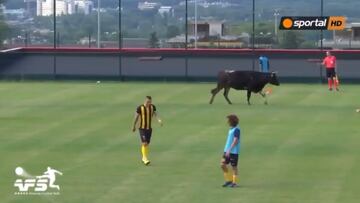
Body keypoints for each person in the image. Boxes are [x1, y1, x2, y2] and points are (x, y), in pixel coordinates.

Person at [132, 96, 162, 165]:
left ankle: (143, 157)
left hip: (149, 128)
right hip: (142, 128)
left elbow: (155, 113)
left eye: (150, 102)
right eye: (148, 102)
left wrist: (159, 120)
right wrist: (133, 126)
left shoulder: (152, 107)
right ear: (145, 101)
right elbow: (136, 117)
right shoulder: (140, 108)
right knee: (144, 143)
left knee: (147, 144)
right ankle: (145, 158)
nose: (149, 103)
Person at [221, 114, 241, 188]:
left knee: (234, 167)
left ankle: (234, 183)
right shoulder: (231, 129)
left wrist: (229, 150)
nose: (227, 122)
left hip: (233, 152)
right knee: (222, 165)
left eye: (228, 120)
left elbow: (235, 141)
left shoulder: (236, 130)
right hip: (227, 151)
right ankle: (228, 180)